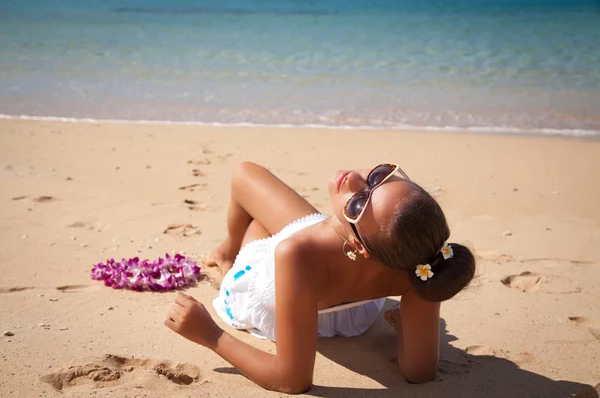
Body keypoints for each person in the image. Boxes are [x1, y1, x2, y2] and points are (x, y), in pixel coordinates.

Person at [164, 161, 476, 393]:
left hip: (275, 299)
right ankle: (231, 250)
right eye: (377, 177)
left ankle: (227, 256)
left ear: (357, 245)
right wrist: (412, 316)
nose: (353, 178)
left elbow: (291, 380)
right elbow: (418, 371)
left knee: (247, 188)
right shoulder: (417, 258)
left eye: (356, 204)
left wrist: (210, 335)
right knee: (256, 189)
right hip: (356, 311)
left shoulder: (295, 253)